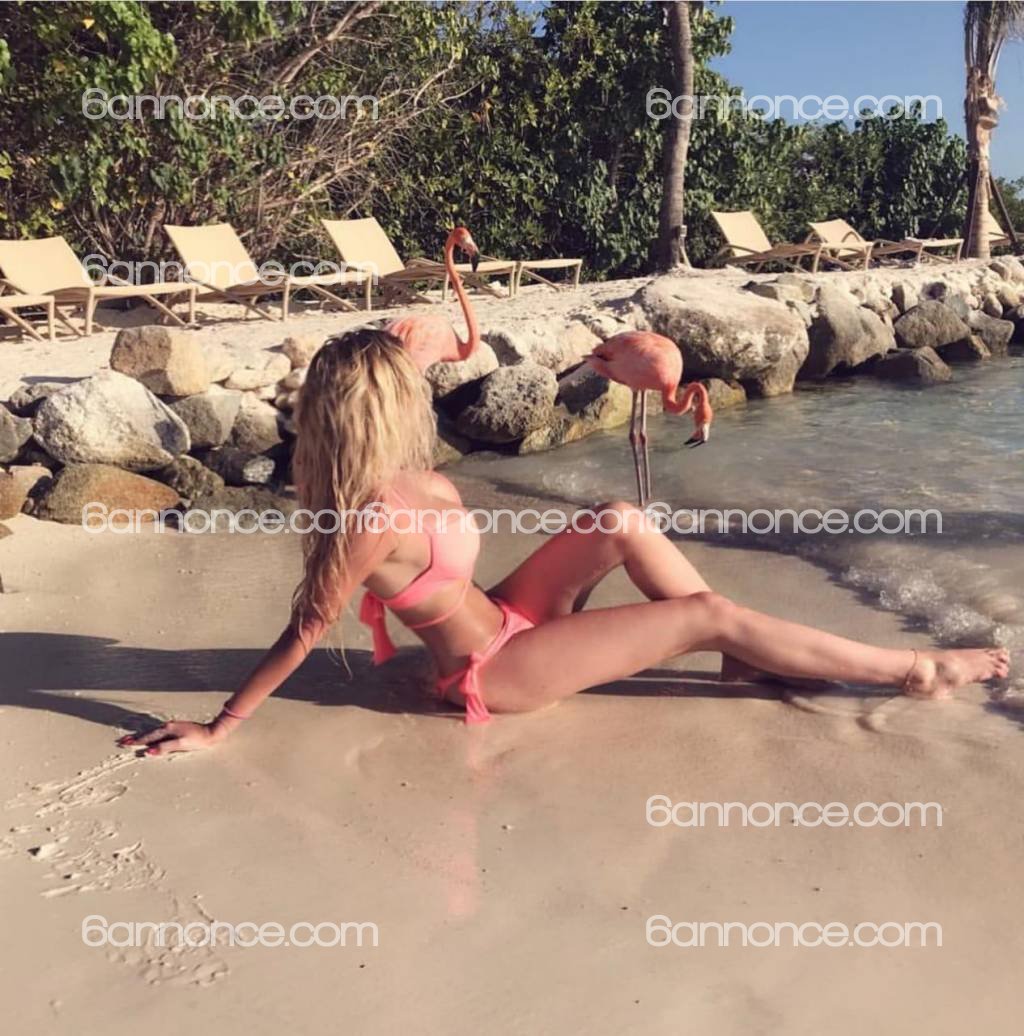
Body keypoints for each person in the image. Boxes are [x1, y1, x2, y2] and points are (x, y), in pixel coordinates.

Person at [119, 329, 1010, 756]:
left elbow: (393, 363)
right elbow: (305, 628)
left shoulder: (406, 474)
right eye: (407, 389)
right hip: (492, 672)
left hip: (508, 617)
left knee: (620, 517)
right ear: (381, 411)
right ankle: (912, 670)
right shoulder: (368, 515)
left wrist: (400, 346)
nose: (422, 393)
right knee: (704, 612)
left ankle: (746, 656)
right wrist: (221, 727)